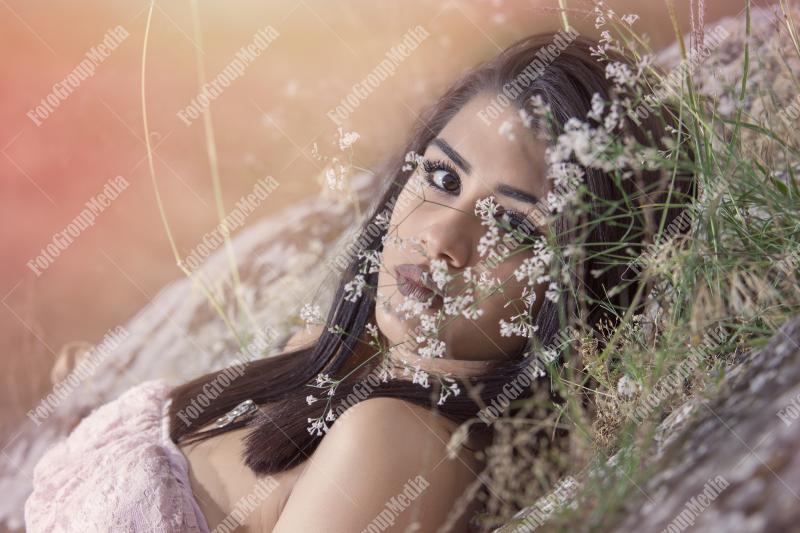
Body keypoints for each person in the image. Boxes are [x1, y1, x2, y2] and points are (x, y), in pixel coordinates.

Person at [33, 0, 767, 527]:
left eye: (512, 224)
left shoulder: (397, 441)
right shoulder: (337, 364)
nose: (443, 240)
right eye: (443, 178)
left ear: (582, 288)